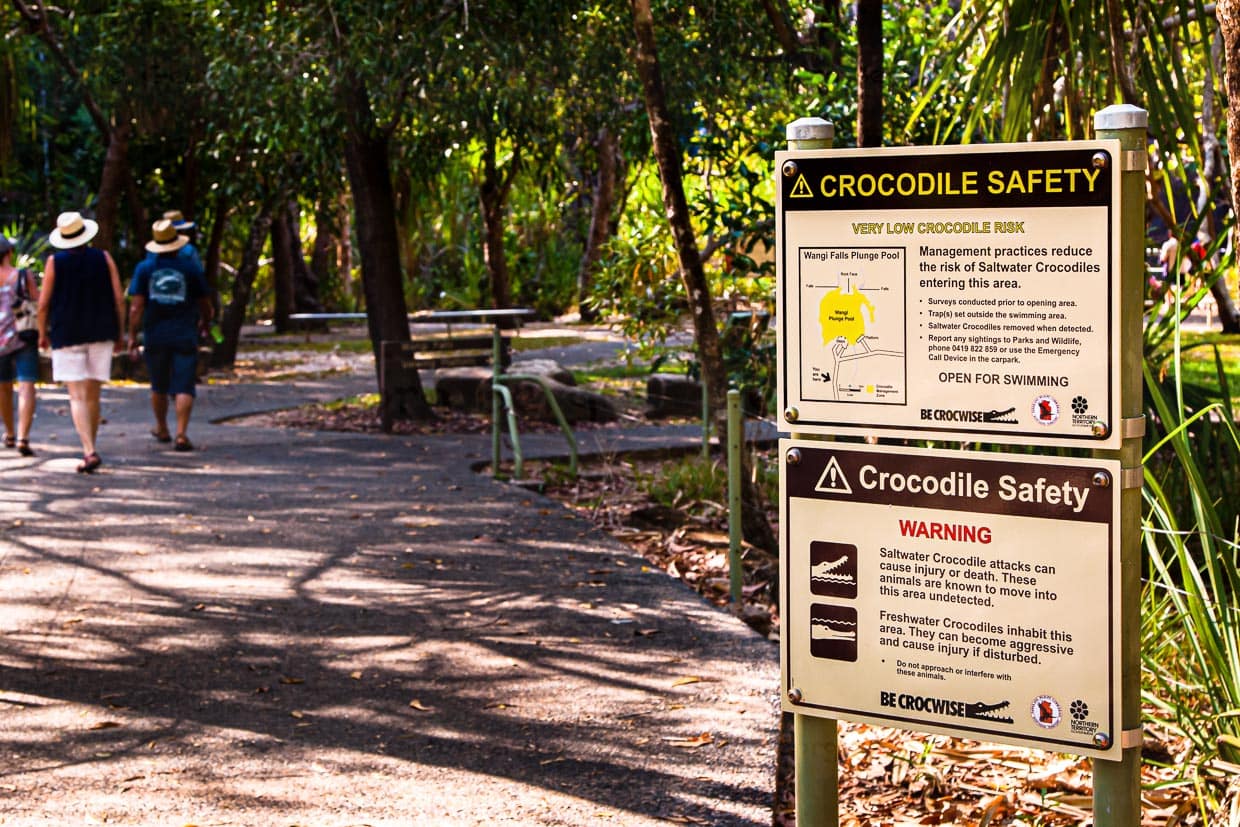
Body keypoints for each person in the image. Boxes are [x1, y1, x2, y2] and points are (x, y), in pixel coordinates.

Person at [38, 211, 125, 473]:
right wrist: (120, 332)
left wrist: (42, 333)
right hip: (101, 331)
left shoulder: (55, 262)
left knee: (76, 396)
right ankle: (92, 446)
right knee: (93, 394)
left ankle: (88, 450)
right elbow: (119, 298)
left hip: (67, 334)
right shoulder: (104, 258)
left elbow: (43, 304)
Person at [127, 218, 214, 452]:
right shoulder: (190, 268)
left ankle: (162, 427)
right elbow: (205, 302)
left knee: (159, 384)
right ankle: (182, 433)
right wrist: (206, 323)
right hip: (185, 331)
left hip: (155, 333)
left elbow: (136, 306)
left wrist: (132, 335)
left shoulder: (145, 268)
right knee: (184, 384)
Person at [0, 237, 39, 456]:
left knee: (3, 388)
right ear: (9, 252)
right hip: (24, 336)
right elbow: (39, 302)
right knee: (26, 385)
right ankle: (23, 436)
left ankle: (10, 433)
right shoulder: (23, 276)